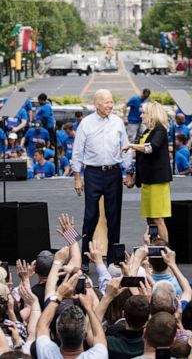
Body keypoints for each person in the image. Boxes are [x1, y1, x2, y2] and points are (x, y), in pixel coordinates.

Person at [71, 89, 132, 266]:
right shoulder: (86, 123)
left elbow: (125, 148)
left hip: (114, 173)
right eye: (107, 102)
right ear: (97, 104)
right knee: (90, 217)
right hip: (93, 174)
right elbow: (77, 151)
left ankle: (113, 260)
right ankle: (84, 259)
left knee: (114, 217)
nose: (110, 105)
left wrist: (129, 172)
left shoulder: (118, 122)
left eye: (111, 102)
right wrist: (77, 177)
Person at [122, 100, 172, 243]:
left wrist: (132, 145)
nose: (141, 115)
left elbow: (151, 148)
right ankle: (154, 247)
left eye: (143, 112)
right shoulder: (147, 130)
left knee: (158, 218)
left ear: (152, 114)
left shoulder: (160, 130)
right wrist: (133, 174)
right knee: (150, 218)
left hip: (157, 180)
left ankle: (165, 251)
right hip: (148, 180)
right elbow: (141, 157)